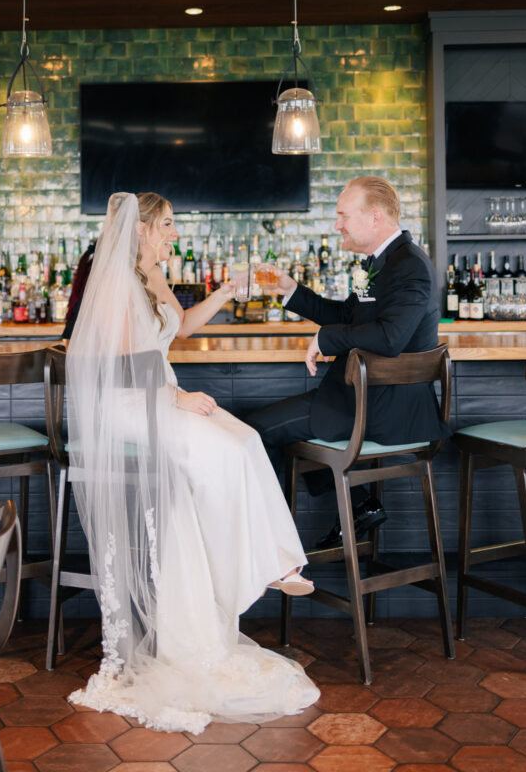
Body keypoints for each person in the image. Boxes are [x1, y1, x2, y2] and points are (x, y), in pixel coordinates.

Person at [66, 192, 319, 733]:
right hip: (133, 404)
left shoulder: (153, 273)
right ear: (140, 229)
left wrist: (226, 291)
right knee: (224, 449)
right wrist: (174, 399)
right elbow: (111, 365)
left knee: (246, 438)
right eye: (167, 224)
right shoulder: (113, 282)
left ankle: (275, 562)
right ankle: (246, 564)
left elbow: (179, 330)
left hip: (162, 393)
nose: (173, 233)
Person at [248, 175, 450, 549]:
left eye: (343, 215)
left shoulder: (410, 265)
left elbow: (390, 338)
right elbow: (348, 316)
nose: (336, 224)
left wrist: (326, 339)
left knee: (253, 432)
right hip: (362, 399)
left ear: (375, 217)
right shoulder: (377, 263)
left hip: (383, 407)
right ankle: (359, 507)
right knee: (267, 429)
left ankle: (270, 547)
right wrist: (292, 291)